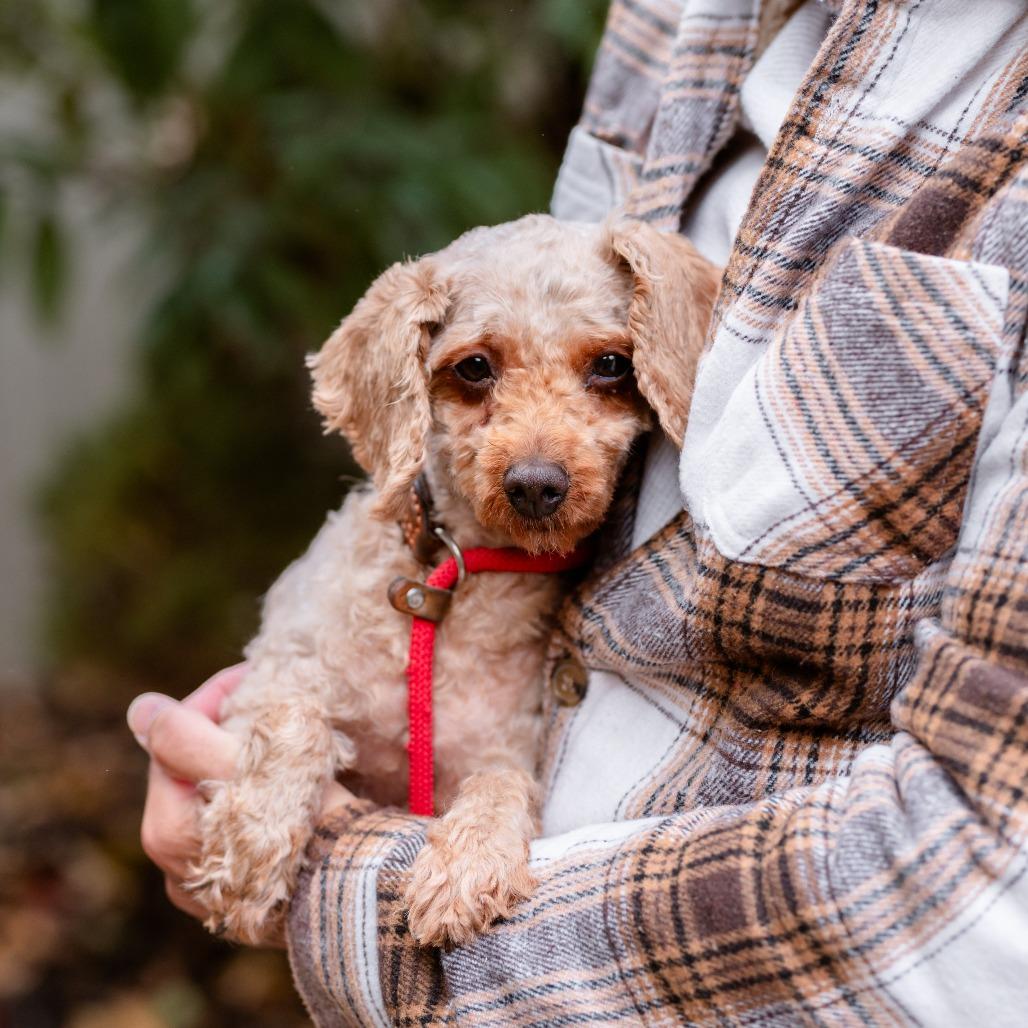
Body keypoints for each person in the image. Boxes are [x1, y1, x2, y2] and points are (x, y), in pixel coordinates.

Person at [128, 0, 1028, 1022]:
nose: (540, 460)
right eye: (474, 374)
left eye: (605, 371)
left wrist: (349, 900)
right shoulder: (671, 13)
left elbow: (984, 896)